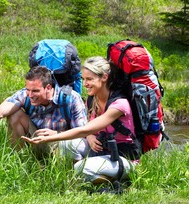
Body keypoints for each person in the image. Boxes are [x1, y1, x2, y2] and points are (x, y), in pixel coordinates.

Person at [22, 56, 141, 185]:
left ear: (104, 77)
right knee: (65, 145)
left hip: (122, 158)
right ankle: (77, 176)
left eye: (89, 79)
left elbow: (87, 128)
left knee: (80, 168)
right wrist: (89, 137)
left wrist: (50, 138)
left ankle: (120, 181)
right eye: (83, 79)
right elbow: (88, 130)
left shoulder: (120, 105)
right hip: (101, 152)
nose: (85, 84)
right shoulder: (92, 100)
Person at [0, 66, 88, 159]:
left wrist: (56, 135)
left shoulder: (71, 98)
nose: (30, 95)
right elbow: (0, 111)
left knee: (77, 144)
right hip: (33, 139)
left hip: (60, 143)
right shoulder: (25, 94)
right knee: (14, 115)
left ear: (48, 88)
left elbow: (82, 133)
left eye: (35, 91)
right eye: (28, 90)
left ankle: (65, 171)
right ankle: (21, 160)